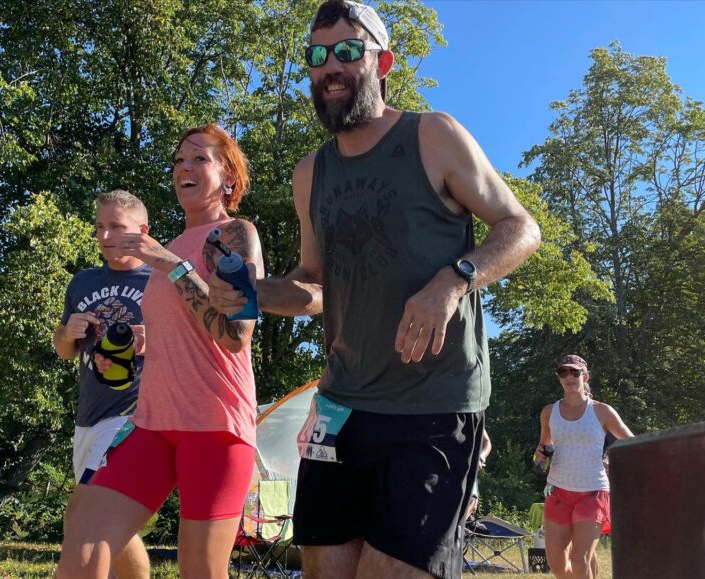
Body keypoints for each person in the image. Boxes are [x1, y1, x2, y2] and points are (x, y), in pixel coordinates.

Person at [209, 2, 541, 577]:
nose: (330, 66)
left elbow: (520, 228)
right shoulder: (310, 172)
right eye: (317, 55)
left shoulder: (432, 135)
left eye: (346, 51)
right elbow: (313, 286)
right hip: (341, 404)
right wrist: (254, 293)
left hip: (432, 404)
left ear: (382, 61)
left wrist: (451, 281)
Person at [57, 124, 264, 579]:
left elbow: (236, 333)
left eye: (199, 159)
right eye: (178, 160)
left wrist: (171, 264)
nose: (183, 168)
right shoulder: (166, 247)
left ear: (228, 177)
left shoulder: (234, 235)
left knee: (201, 571)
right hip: (150, 423)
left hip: (214, 425)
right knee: (84, 535)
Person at [53, 189, 152, 579]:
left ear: (142, 230)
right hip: (88, 416)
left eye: (116, 226)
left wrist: (156, 337)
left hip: (133, 415)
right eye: (99, 226)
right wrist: (68, 331)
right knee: (112, 525)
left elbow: (196, 347)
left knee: (84, 517)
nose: (106, 236)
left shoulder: (160, 279)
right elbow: (64, 349)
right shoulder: (83, 281)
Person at [535, 354, 633, 579]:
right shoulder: (549, 412)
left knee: (580, 560)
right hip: (558, 490)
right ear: (559, 377)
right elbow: (543, 446)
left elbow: (631, 442)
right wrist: (540, 455)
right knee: (557, 565)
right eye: (563, 372)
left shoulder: (602, 411)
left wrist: (610, 458)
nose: (568, 376)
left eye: (574, 372)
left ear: (585, 376)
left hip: (593, 491)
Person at [465, 429, 492, 522]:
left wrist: (481, 457)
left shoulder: (472, 415)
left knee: (471, 500)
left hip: (466, 469)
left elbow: (487, 442)